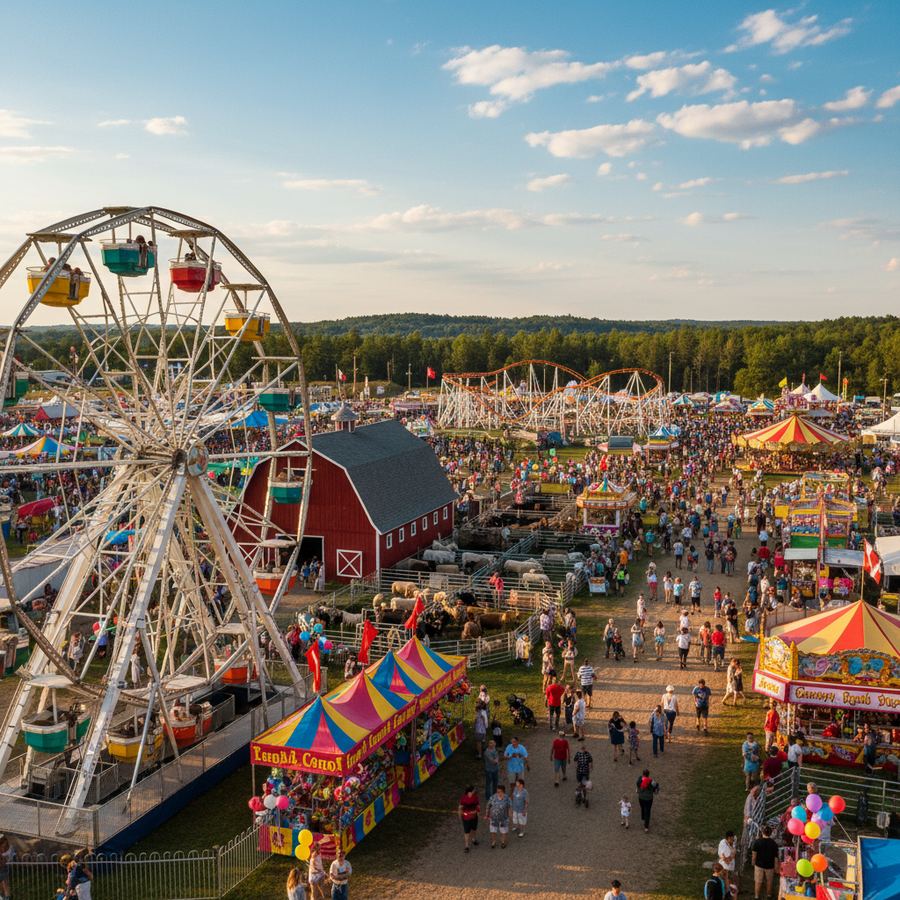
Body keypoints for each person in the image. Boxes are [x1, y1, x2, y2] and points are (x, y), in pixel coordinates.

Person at [751, 825, 779, 900]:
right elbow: (776, 858)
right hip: (770, 866)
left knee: (758, 881)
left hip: (759, 865)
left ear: (762, 832)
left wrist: (753, 863)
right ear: (770, 833)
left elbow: (754, 855)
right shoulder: (774, 844)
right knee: (769, 881)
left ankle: (756, 896)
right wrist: (776, 868)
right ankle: (769, 896)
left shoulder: (757, 842)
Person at [486, 784, 512, 849]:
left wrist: (510, 813)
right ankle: (493, 841)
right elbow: (488, 805)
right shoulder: (493, 797)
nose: (498, 793)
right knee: (493, 830)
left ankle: (503, 842)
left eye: (499, 791)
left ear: (503, 791)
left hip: (503, 818)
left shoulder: (507, 798)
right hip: (494, 818)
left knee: (503, 831)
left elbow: (510, 806)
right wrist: (487, 814)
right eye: (497, 791)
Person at [458, 785, 480, 852]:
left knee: (474, 829)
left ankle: (474, 839)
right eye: (474, 790)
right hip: (466, 818)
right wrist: (460, 815)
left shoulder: (475, 797)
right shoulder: (463, 798)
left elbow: (477, 806)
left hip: (474, 816)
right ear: (470, 791)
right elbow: (460, 807)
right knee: (466, 831)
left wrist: (477, 812)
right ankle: (466, 846)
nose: (475, 790)